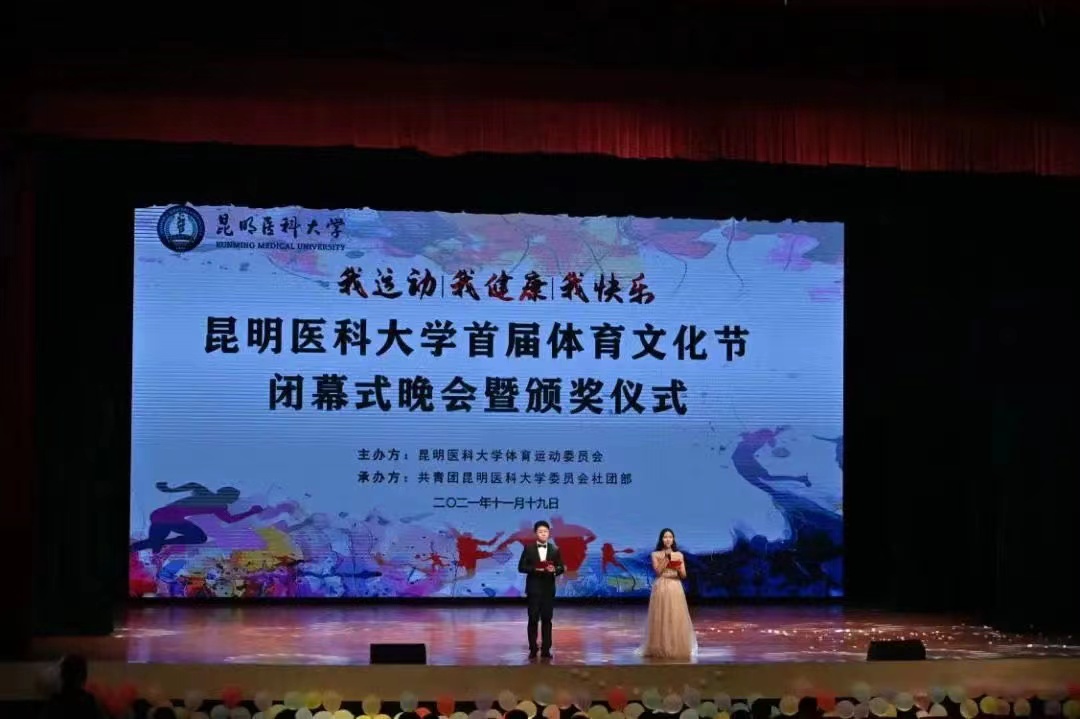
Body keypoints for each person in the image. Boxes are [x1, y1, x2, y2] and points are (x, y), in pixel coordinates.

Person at [130, 482, 262, 554]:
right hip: (171, 518)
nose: (233, 501)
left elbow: (194, 485)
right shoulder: (218, 503)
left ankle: (154, 545)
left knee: (155, 545)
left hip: (160, 515)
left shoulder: (216, 502)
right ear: (226, 496)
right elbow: (230, 520)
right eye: (233, 498)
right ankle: (159, 543)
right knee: (200, 537)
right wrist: (251, 512)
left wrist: (169, 490)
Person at [640, 528, 697, 660]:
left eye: (670, 537)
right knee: (661, 616)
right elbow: (657, 571)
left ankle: (676, 646)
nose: (668, 539)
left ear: (673, 539)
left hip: (675, 586)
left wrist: (678, 568)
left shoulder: (679, 555)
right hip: (661, 585)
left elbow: (684, 575)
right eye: (665, 537)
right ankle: (660, 646)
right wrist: (666, 558)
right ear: (661, 539)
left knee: (675, 616)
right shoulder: (655, 554)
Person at [517, 520, 565, 659]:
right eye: (540, 532)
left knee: (547, 620)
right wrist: (535, 569)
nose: (543, 534)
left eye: (545, 531)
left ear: (549, 533)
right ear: (536, 533)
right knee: (533, 619)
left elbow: (561, 567)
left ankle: (546, 649)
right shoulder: (529, 549)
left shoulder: (555, 549)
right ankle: (533, 649)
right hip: (534, 589)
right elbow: (521, 567)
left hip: (548, 589)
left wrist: (554, 569)